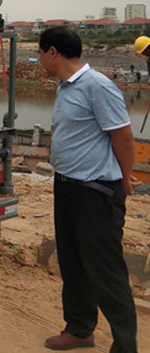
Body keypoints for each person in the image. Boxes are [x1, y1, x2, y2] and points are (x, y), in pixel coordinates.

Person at [38, 27, 138, 352]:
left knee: (105, 269)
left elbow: (123, 136)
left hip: (96, 192)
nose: (39, 59)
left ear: (53, 52)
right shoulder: (66, 86)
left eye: (40, 52)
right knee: (73, 263)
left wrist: (125, 177)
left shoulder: (97, 86)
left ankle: (125, 344)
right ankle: (80, 330)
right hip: (67, 186)